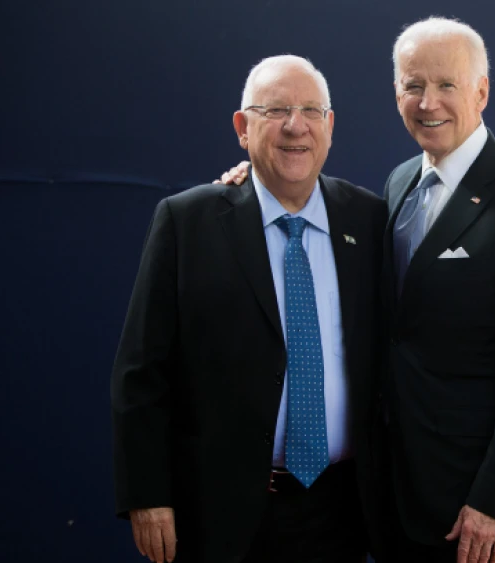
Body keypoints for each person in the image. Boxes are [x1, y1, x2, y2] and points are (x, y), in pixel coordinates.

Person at [218, 18, 495, 563]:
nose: (428, 101)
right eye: (413, 85)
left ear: (481, 91)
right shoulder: (398, 183)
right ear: (396, 93)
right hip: (395, 504)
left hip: (477, 516)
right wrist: (255, 178)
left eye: (446, 85)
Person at [111, 55, 387, 563]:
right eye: (275, 110)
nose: (295, 126)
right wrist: (147, 495)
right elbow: (141, 372)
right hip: (221, 514)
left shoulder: (370, 221)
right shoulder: (187, 222)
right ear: (242, 128)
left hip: (344, 513)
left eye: (310, 111)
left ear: (330, 126)